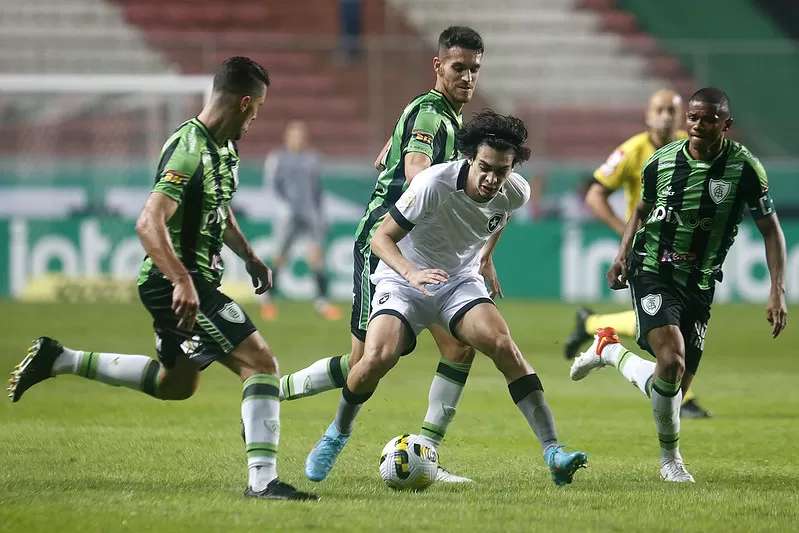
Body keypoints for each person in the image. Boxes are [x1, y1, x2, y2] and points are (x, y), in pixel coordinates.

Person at [6, 57, 318, 501]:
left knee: (177, 385)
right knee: (260, 363)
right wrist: (182, 281)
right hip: (177, 283)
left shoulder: (224, 149)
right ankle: (263, 481)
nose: (256, 119)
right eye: (258, 109)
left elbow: (219, 209)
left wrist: (249, 256)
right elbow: (148, 222)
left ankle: (61, 358)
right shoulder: (188, 146)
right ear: (245, 102)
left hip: (188, 282)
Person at [304, 110, 588, 485]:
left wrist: (485, 256)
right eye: (484, 167)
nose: (491, 179)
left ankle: (553, 452)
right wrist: (412, 273)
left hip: (458, 281)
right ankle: (337, 433)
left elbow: (500, 215)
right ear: (470, 157)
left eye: (501, 171)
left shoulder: (516, 190)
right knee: (377, 356)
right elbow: (381, 238)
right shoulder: (432, 185)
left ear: (512, 168)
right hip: (404, 278)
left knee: (504, 345)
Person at [279, 26, 489, 483]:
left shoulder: (447, 120)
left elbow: (395, 158)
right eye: (459, 68)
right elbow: (417, 172)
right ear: (438, 66)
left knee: (457, 347)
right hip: (387, 243)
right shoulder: (432, 113)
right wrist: (432, 178)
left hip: (426, 249)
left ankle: (427, 451)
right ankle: (291, 405)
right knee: (369, 362)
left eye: (474, 69)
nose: (468, 77)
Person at [569, 88, 787, 482]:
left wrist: (777, 290)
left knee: (669, 387)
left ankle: (609, 351)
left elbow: (771, 230)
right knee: (671, 359)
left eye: (708, 119)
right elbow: (640, 209)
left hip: (701, 283)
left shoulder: (745, 169)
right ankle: (671, 461)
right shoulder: (660, 161)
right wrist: (622, 254)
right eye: (693, 118)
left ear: (727, 124)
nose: (698, 126)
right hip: (654, 269)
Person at [562, 89, 711, 419]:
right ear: (648, 115)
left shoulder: (695, 146)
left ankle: (594, 325)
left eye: (673, 110)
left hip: (685, 255)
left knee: (669, 322)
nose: (666, 116)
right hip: (649, 255)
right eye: (660, 109)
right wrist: (623, 232)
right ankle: (681, 399)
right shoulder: (632, 151)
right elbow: (595, 194)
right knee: (666, 324)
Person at [259, 120, 341, 321]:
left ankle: (322, 303)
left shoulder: (313, 159)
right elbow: (270, 187)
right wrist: (282, 208)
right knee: (279, 257)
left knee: (316, 257)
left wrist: (322, 215)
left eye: (302, 136)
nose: (299, 139)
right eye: (295, 135)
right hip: (286, 217)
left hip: (309, 216)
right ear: (287, 137)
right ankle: (268, 301)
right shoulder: (277, 157)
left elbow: (317, 191)